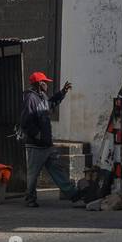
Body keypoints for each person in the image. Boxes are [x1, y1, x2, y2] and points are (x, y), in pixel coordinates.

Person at [20, 71, 77, 207]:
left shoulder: (42, 96)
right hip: (36, 145)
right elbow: (25, 121)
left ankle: (73, 195)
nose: (47, 84)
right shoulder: (30, 98)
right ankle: (30, 199)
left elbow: (50, 104)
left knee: (57, 169)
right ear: (39, 84)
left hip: (47, 144)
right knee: (33, 175)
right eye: (45, 82)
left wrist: (62, 92)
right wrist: (37, 135)